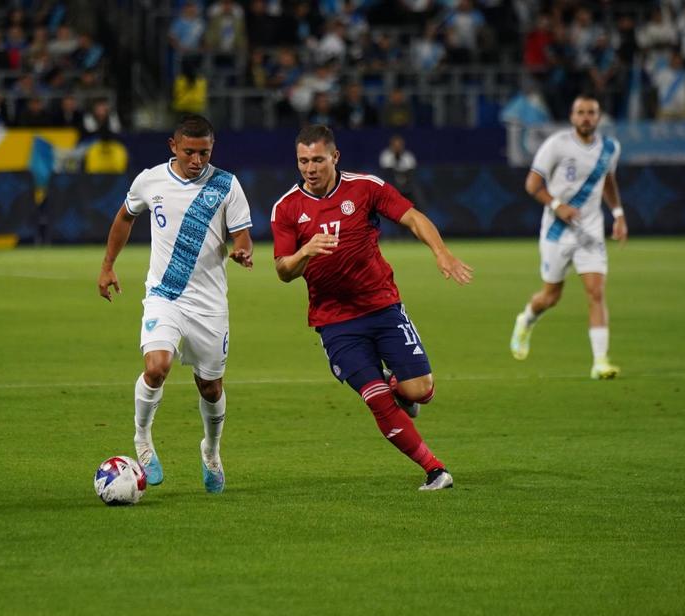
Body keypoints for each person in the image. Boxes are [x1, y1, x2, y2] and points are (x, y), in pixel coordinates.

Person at [270, 124, 472, 491]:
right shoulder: (286, 208)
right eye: (303, 161)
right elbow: (284, 271)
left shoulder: (365, 187)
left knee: (420, 392)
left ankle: (399, 385)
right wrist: (305, 252)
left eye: (317, 160)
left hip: (383, 307)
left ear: (335, 157)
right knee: (376, 397)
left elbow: (413, 217)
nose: (310, 168)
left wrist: (441, 253)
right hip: (335, 322)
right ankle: (434, 469)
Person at [98, 115, 253, 494]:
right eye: (189, 152)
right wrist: (107, 265)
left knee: (210, 387)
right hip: (164, 295)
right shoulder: (150, 180)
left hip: (209, 305)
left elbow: (243, 236)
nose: (197, 160)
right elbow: (124, 217)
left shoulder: (226, 185)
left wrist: (242, 251)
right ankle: (142, 438)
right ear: (173, 146)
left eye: (204, 153)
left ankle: (211, 451)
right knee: (157, 367)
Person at [510, 95, 628, 379]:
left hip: (590, 232)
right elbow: (532, 184)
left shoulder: (610, 148)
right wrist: (557, 205)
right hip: (557, 232)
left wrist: (618, 214)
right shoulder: (556, 145)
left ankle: (600, 362)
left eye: (591, 112)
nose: (586, 117)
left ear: (598, 117)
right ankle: (526, 319)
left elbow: (607, 179)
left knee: (596, 293)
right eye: (581, 112)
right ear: (572, 117)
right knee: (551, 296)